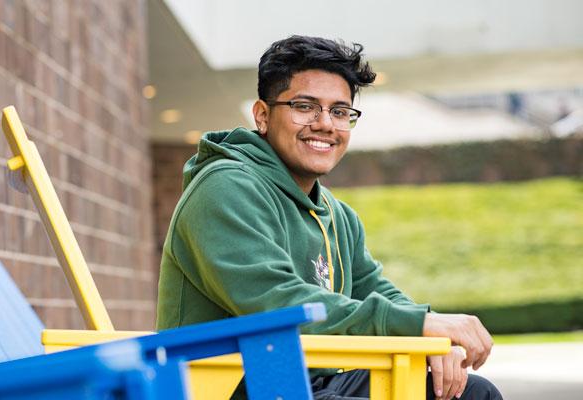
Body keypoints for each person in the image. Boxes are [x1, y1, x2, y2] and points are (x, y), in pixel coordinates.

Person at [156, 35, 502, 400]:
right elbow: (278, 304)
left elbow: (373, 289)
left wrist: (432, 337)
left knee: (472, 393)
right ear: (262, 115)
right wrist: (420, 327)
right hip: (232, 387)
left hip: (307, 383)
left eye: (340, 112)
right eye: (305, 107)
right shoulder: (224, 188)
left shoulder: (338, 215)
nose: (325, 124)